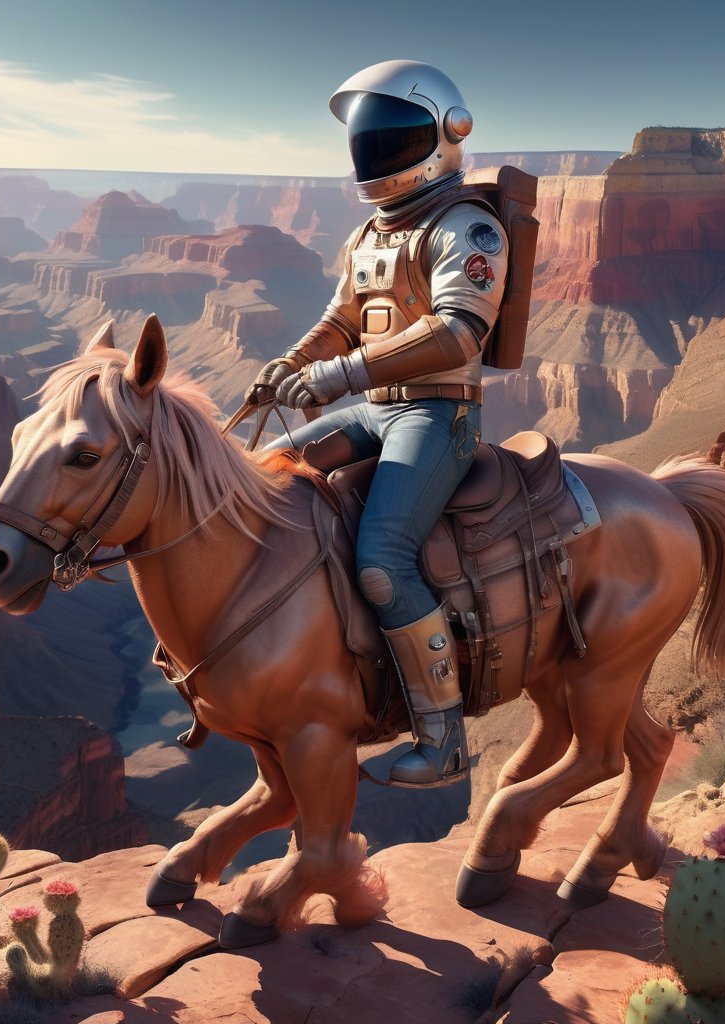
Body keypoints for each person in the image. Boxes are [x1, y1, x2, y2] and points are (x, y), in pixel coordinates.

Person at [246, 59, 510, 787]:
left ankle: (442, 737)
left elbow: (459, 333)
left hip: (438, 414)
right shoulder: (373, 231)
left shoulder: (468, 227)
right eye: (369, 138)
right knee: (260, 480)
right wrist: (288, 364)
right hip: (375, 408)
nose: (375, 152)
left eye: (391, 136)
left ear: (446, 133)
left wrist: (334, 378)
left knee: (384, 561)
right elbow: (341, 319)